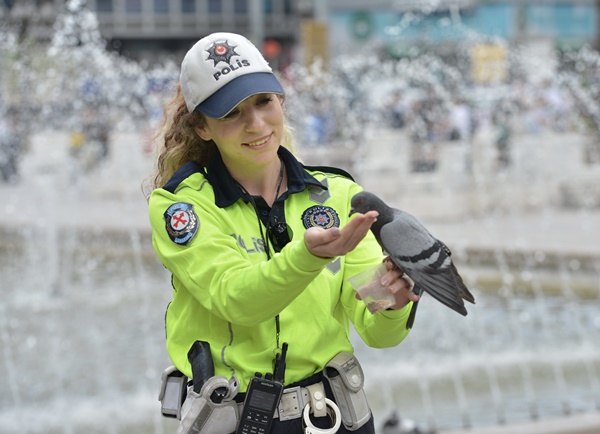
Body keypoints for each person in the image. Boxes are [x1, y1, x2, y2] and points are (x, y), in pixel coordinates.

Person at [147, 32, 419, 434]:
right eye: (231, 113)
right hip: (233, 421)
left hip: (334, 417)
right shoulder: (183, 207)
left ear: (281, 100)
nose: (256, 123)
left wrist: (395, 302)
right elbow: (236, 298)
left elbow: (377, 329)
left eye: (263, 101)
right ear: (202, 127)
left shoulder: (339, 195)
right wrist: (309, 257)